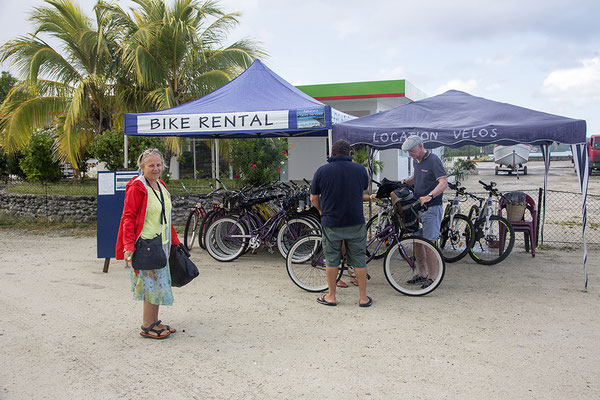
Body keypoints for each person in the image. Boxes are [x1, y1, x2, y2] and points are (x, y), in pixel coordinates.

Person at [115, 148, 182, 339]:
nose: (155, 168)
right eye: (151, 165)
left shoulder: (160, 186)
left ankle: (154, 321)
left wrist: (175, 242)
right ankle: (147, 325)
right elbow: (128, 217)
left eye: (158, 164)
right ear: (142, 167)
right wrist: (128, 246)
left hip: (161, 243)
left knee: (158, 283)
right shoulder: (137, 187)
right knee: (149, 285)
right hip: (146, 244)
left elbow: (166, 217)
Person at [310, 139, 373, 307]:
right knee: (359, 259)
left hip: (331, 223)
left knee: (331, 260)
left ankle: (331, 296)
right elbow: (362, 194)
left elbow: (313, 198)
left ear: (332, 153)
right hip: (355, 222)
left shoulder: (322, 171)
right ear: (349, 153)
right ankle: (363, 298)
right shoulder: (361, 170)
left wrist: (322, 211)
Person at [400, 136, 448, 288]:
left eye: (412, 151)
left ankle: (432, 278)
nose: (410, 155)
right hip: (418, 207)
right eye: (408, 152)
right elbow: (417, 176)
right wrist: (407, 181)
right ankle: (421, 274)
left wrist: (430, 196)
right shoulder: (416, 161)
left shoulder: (434, 160)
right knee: (417, 242)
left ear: (421, 146)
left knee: (429, 244)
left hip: (432, 208)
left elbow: (443, 182)